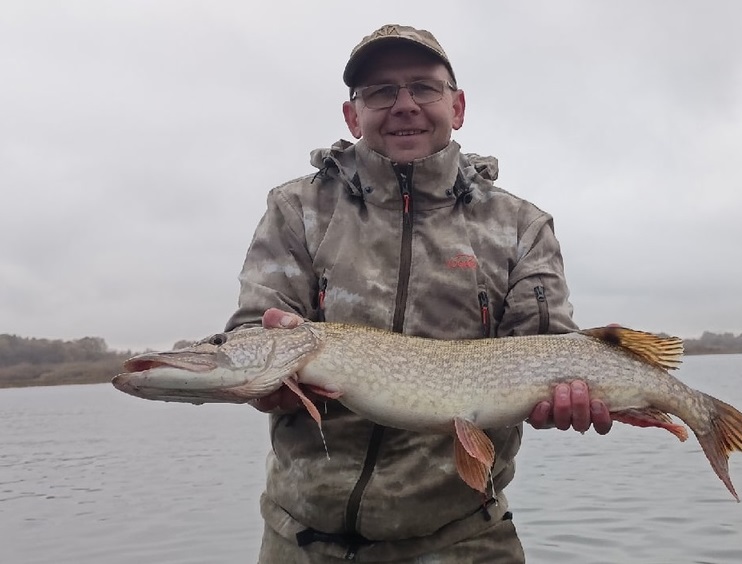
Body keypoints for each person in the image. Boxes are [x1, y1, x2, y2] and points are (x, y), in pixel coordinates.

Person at [225, 24, 612, 563]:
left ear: (457, 106)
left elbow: (545, 348)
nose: (403, 105)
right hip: (301, 542)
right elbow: (251, 333)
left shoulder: (520, 225)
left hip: (466, 540)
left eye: (423, 88)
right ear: (351, 114)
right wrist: (263, 380)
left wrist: (565, 397)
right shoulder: (299, 209)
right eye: (380, 92)